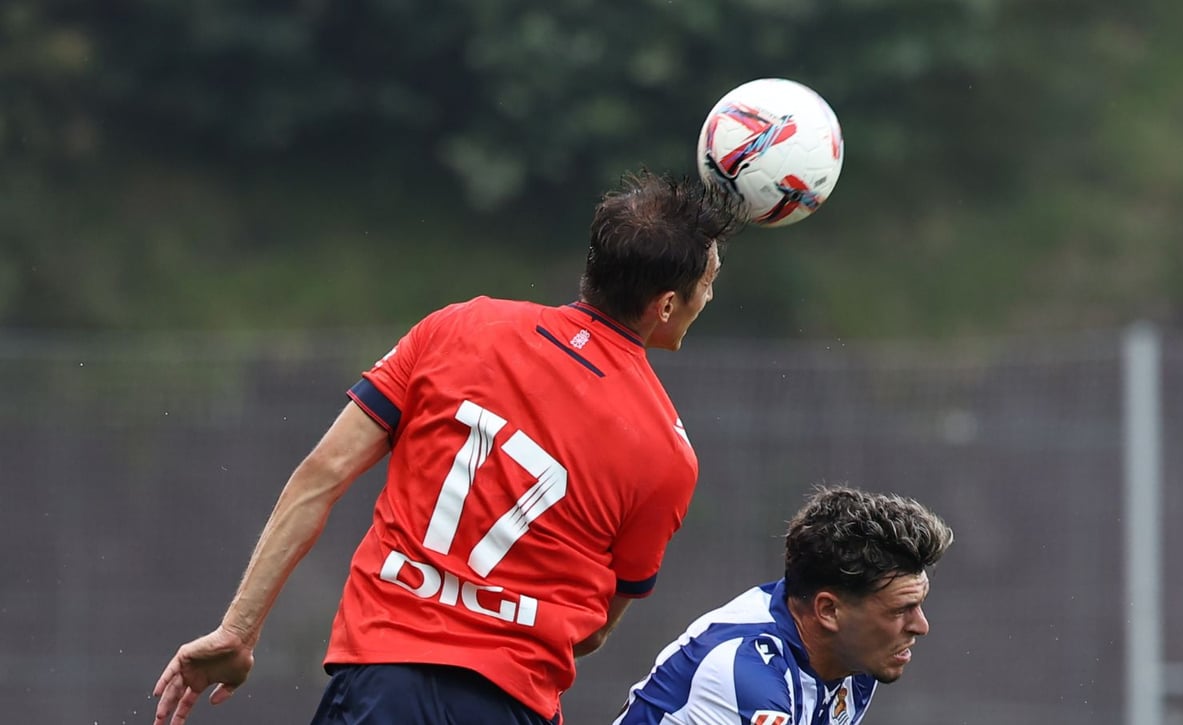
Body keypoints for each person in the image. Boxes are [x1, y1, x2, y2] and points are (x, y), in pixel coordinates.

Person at [151, 169, 746, 725]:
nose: (709, 299)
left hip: (382, 679)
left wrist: (239, 629)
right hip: (510, 703)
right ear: (667, 304)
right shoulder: (667, 455)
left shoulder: (460, 326)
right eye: (708, 285)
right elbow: (591, 631)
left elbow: (322, 475)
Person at [612, 486, 954, 725]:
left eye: (919, 605)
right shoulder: (743, 672)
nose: (920, 626)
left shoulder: (857, 661)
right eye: (899, 610)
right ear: (829, 611)